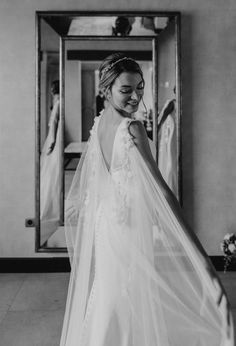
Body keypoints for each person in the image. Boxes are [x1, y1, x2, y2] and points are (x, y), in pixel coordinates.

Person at [59, 53, 234, 346]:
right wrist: (200, 258)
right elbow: (161, 190)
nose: (136, 96)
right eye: (125, 90)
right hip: (124, 227)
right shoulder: (132, 128)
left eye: (139, 87)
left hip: (108, 223)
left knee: (110, 294)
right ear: (107, 90)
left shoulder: (99, 122)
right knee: (125, 296)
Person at [40, 80, 61, 245]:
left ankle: (51, 206)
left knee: (52, 172)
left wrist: (53, 141)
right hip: (52, 138)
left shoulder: (59, 102)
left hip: (53, 139)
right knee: (50, 171)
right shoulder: (59, 102)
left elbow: (53, 123)